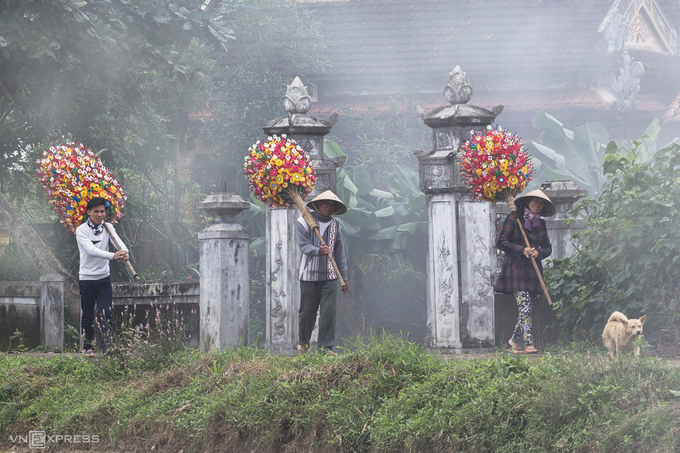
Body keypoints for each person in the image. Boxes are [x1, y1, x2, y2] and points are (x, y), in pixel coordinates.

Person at [494, 189, 555, 354]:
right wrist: (522, 250)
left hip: (533, 273)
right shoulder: (514, 219)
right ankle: (528, 344)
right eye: (535, 201)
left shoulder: (540, 224)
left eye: (541, 203)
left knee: (527, 308)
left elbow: (547, 248)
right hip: (515, 270)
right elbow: (501, 241)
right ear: (527, 202)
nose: (537, 204)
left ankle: (514, 341)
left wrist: (538, 252)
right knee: (525, 307)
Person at [295, 190, 350, 355]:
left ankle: (325, 348)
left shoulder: (335, 225)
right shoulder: (303, 221)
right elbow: (303, 245)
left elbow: (339, 253)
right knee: (307, 312)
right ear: (318, 204)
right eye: (326, 203)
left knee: (328, 313)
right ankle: (303, 345)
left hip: (330, 276)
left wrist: (344, 278)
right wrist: (318, 250)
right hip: (309, 275)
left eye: (332, 205)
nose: (329, 207)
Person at [75, 197, 129, 356]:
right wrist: (114, 256)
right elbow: (92, 251)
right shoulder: (82, 230)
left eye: (102, 212)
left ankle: (108, 348)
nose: (99, 215)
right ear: (89, 212)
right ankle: (87, 347)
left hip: (104, 279)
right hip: (87, 279)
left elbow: (120, 244)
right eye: (96, 211)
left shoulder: (109, 228)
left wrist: (124, 252)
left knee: (106, 313)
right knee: (87, 314)